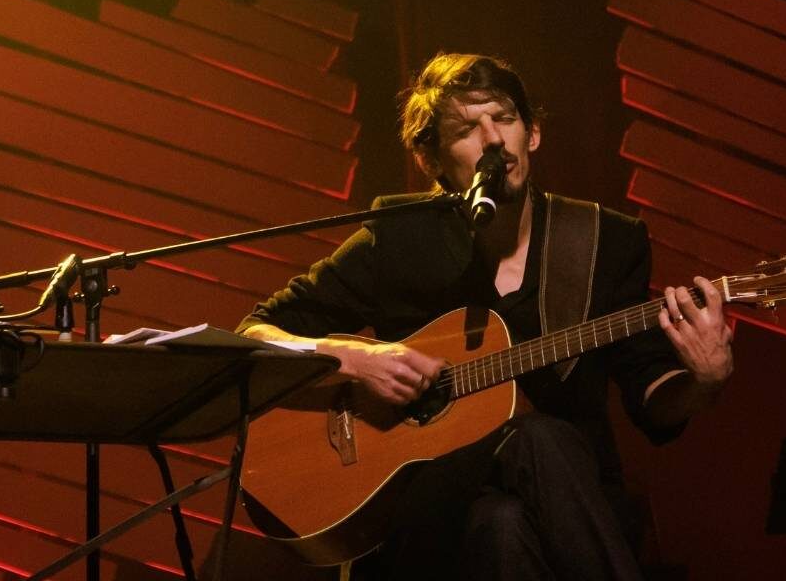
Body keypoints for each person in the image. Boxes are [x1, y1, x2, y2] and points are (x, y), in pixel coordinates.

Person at [237, 54, 734, 578]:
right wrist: (354, 361)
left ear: (533, 134)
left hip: (559, 520)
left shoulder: (604, 242)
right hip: (419, 522)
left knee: (503, 520)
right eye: (466, 129)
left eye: (504, 118)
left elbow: (651, 395)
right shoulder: (397, 238)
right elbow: (254, 334)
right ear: (432, 159)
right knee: (538, 438)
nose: (493, 140)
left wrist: (705, 382)